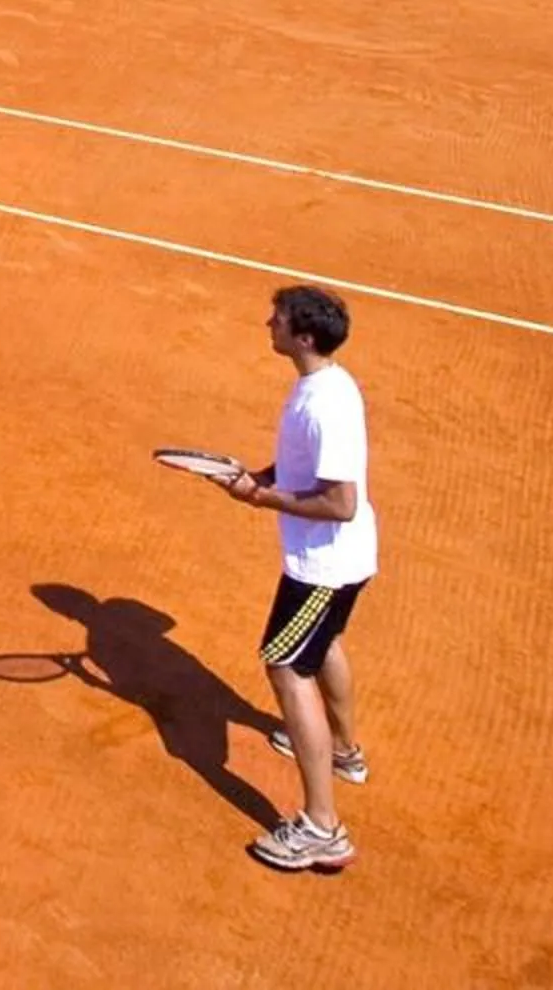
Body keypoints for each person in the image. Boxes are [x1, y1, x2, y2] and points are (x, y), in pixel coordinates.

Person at [212, 283, 376, 874]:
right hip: (347, 563)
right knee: (324, 642)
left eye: (276, 320)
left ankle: (321, 828)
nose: (267, 325)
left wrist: (264, 500)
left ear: (302, 337)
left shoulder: (321, 404)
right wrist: (259, 478)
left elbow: (339, 502)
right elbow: (306, 466)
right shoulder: (328, 383)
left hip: (322, 567)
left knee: (285, 666)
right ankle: (345, 753)